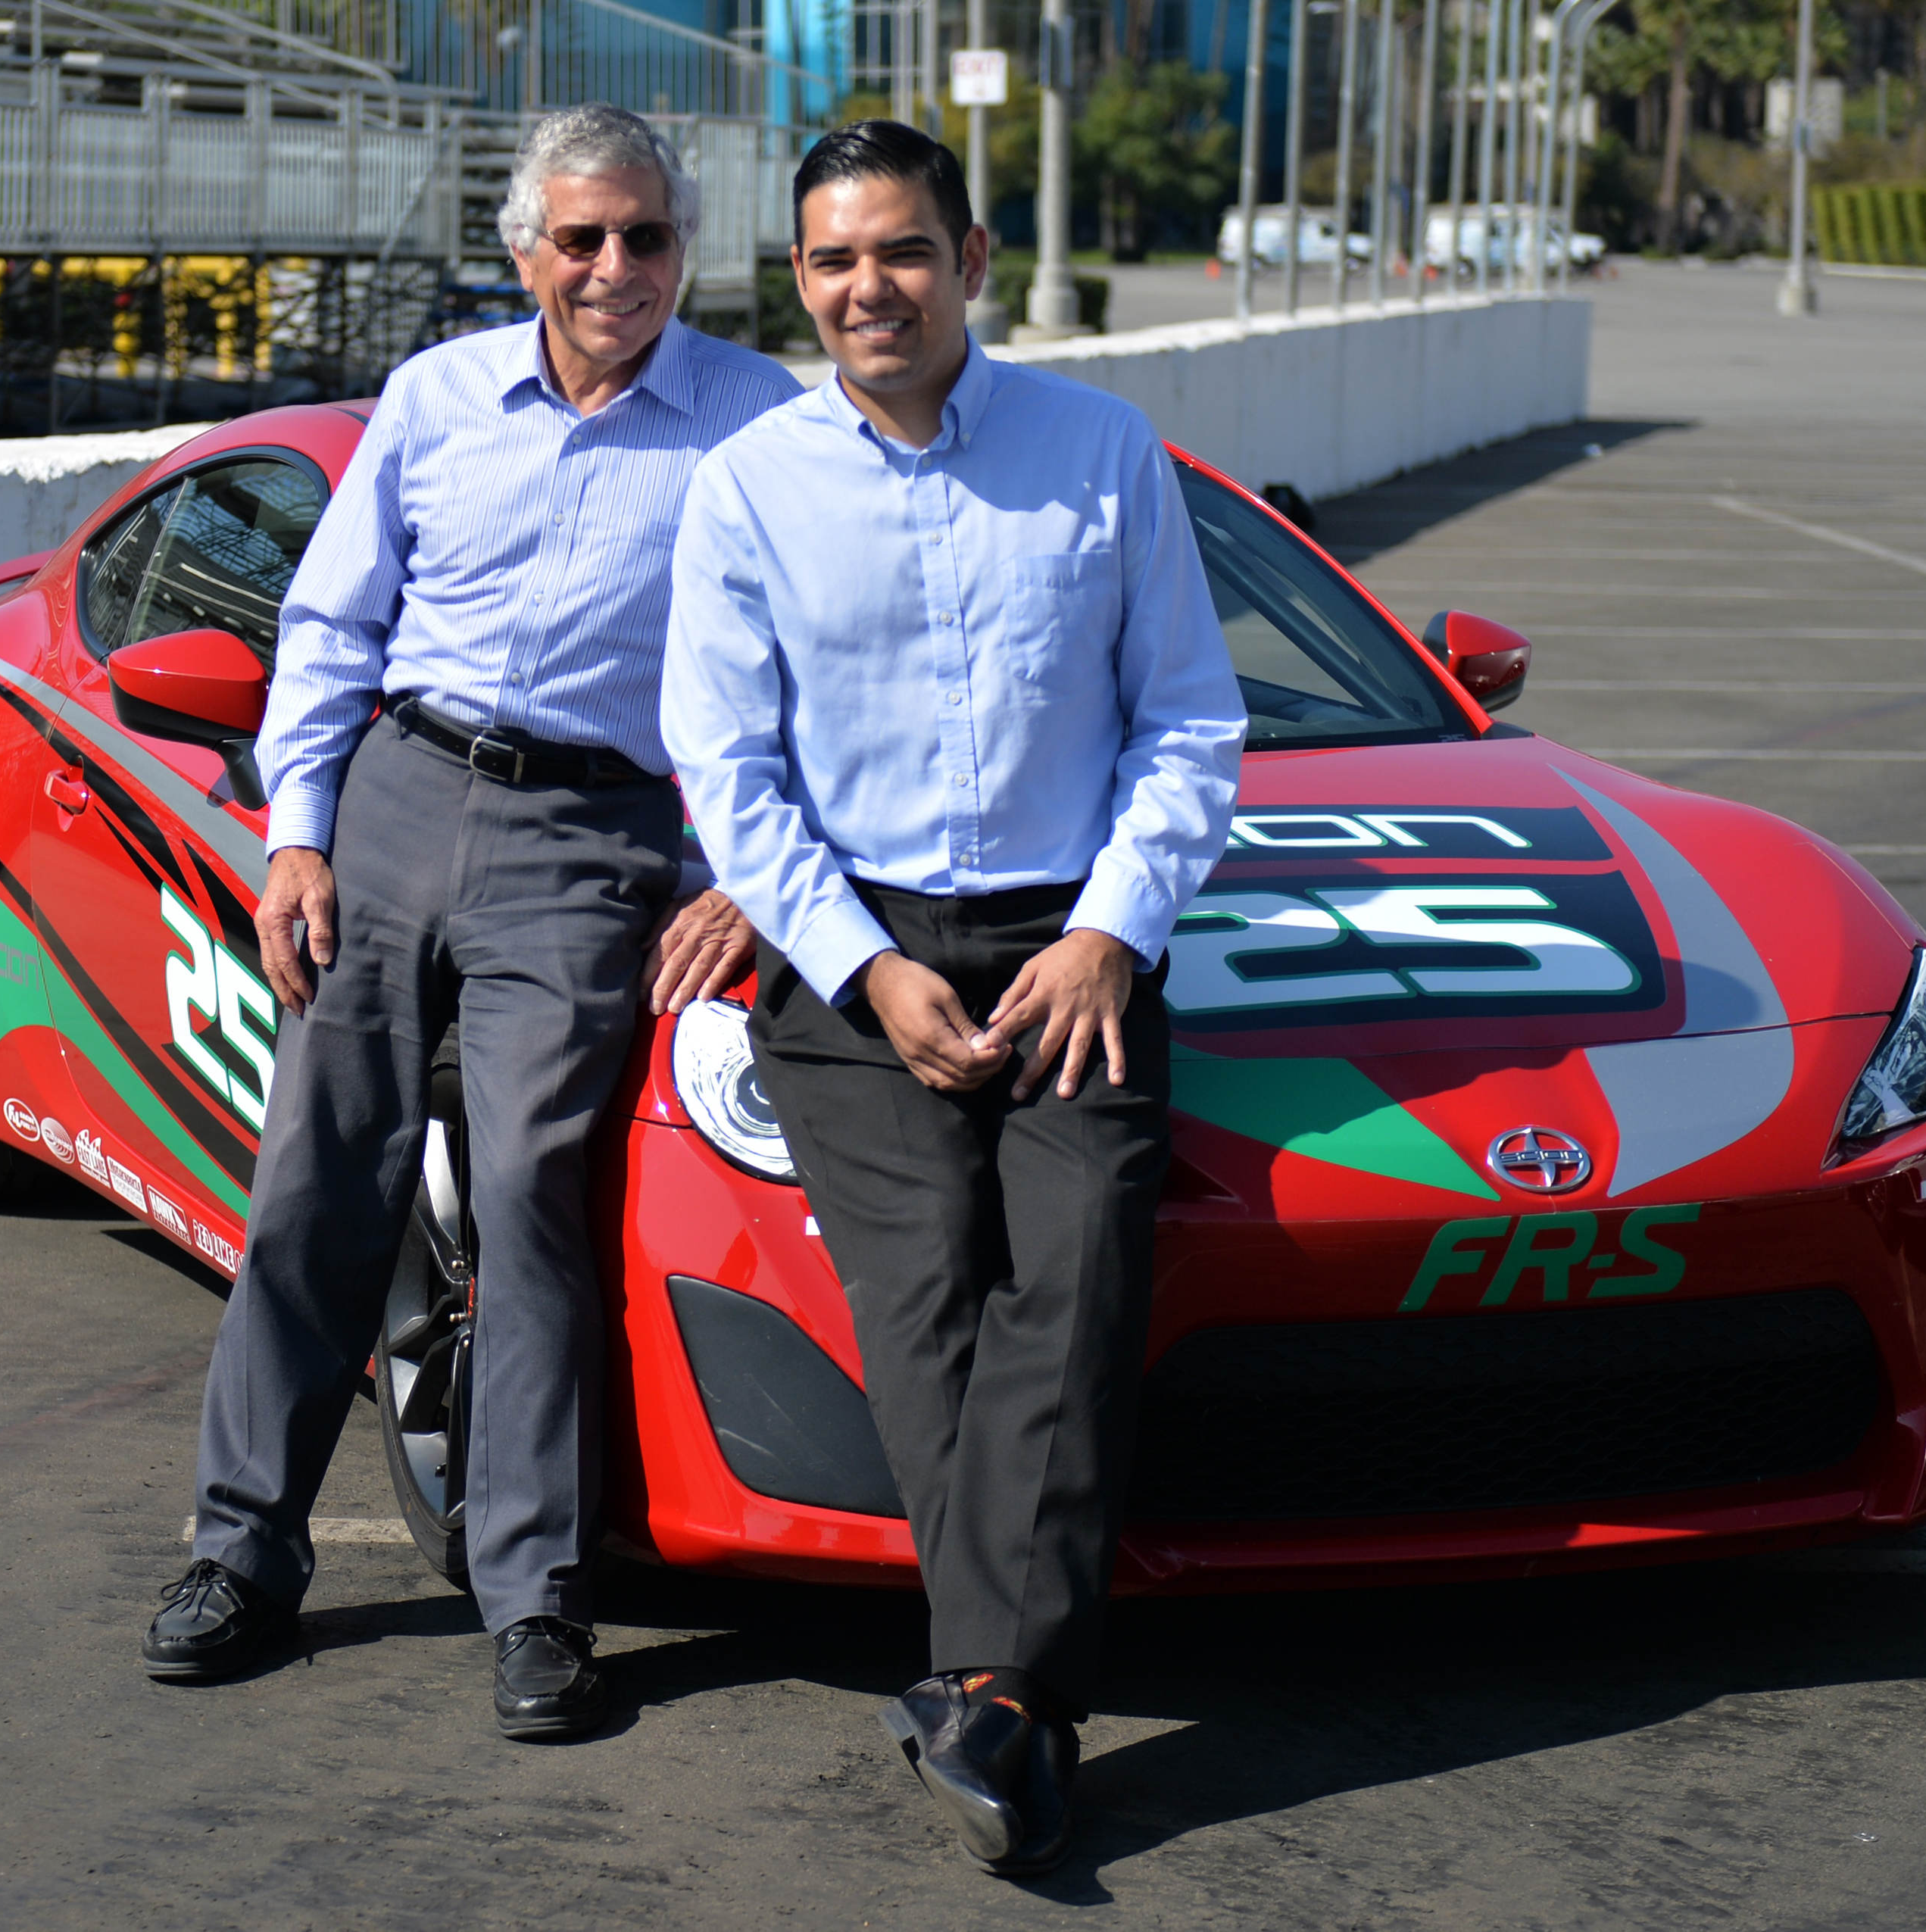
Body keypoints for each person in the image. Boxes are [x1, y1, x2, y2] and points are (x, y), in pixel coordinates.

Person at [140, 104, 801, 1742]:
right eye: (580, 237)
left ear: (685, 250)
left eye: (645, 236)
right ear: (524, 252)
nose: (614, 267)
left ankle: (535, 1600)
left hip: (593, 837)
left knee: (526, 1205)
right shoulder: (435, 397)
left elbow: (813, 670)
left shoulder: (759, 424)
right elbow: (328, 625)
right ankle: (240, 1553)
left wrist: (748, 872)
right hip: (398, 798)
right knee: (317, 1185)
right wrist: (299, 838)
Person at [662, 120, 1245, 1874]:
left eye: (902, 251)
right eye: (833, 260)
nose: (870, 289)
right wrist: (862, 964)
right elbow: (725, 769)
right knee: (923, 1297)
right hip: (850, 952)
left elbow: (1188, 722)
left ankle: (985, 1690)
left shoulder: (1102, 451)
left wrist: (1112, 930)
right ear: (799, 279)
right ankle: (1017, 1694)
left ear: (970, 259)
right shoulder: (748, 487)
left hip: (1075, 947)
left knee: (1073, 1283)